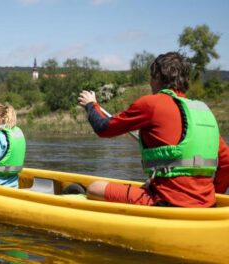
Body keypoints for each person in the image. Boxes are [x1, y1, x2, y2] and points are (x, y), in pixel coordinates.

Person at [78, 51, 229, 207]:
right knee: (146, 185)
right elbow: (226, 163)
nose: (150, 82)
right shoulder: (204, 113)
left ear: (157, 77)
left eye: (151, 77)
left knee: (95, 188)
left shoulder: (151, 104)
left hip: (167, 202)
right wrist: (211, 196)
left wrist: (91, 104)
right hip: (208, 203)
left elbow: (103, 128)